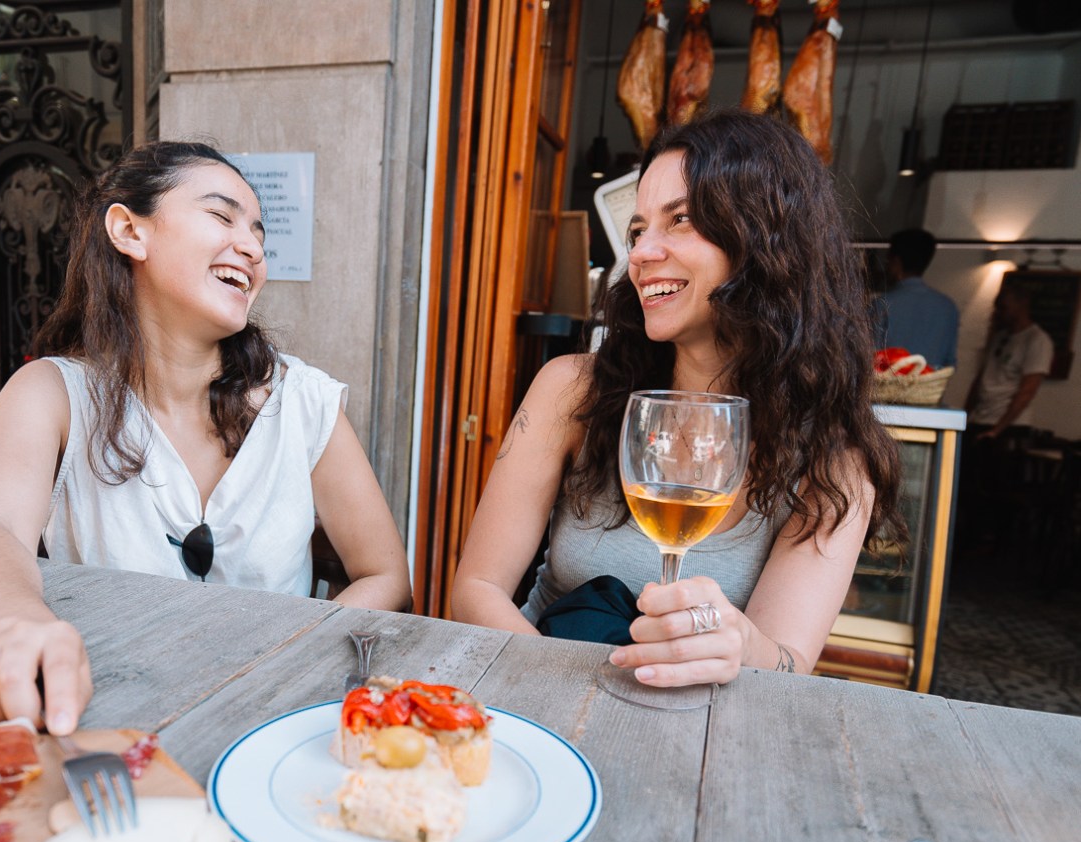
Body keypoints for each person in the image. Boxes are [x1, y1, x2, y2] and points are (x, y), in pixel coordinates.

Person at [0, 141, 411, 734]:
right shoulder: (51, 393)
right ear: (130, 232)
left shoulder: (302, 400)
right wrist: (19, 623)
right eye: (222, 216)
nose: (254, 247)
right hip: (102, 720)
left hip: (273, 722)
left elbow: (386, 575)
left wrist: (290, 652)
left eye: (259, 232)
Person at [450, 108, 904, 690]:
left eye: (681, 220)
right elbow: (477, 588)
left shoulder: (834, 459)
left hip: (704, 730)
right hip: (538, 684)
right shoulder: (571, 387)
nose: (639, 254)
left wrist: (740, 643)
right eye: (639, 230)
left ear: (767, 239)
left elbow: (789, 661)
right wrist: (564, 704)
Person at [965, 283, 1053, 442]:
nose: (998, 312)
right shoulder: (1000, 337)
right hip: (979, 418)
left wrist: (998, 430)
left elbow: (1028, 390)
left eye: (1003, 307)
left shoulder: (1037, 340)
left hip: (1007, 426)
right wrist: (965, 416)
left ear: (1022, 305)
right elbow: (981, 380)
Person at [872, 228, 960, 368]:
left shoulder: (881, 304)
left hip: (887, 389)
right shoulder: (948, 307)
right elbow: (950, 363)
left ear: (896, 261)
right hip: (931, 388)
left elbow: (870, 360)